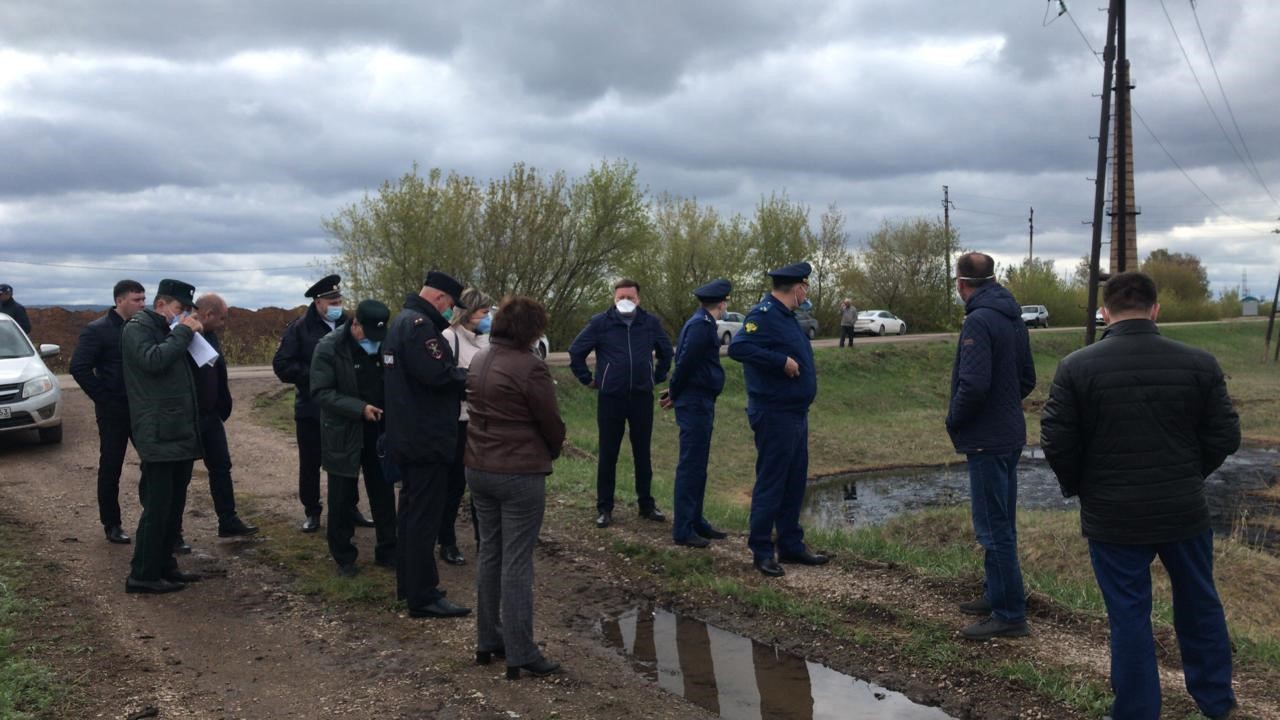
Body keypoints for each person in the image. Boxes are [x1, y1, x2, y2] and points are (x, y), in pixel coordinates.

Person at [1041, 272, 1240, 720]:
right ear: (1155, 309)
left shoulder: (1076, 366)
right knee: (1199, 603)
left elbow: (1056, 440)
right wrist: (1190, 473)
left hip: (1113, 516)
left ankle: (1135, 712)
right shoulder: (1200, 363)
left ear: (1105, 312)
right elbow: (1225, 435)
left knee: (1128, 615)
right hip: (1183, 509)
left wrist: (1083, 487)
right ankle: (1216, 701)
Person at [465, 295, 566, 679]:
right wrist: (553, 449)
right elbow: (550, 422)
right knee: (517, 560)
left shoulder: (479, 358)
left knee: (489, 552)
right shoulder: (530, 367)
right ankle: (521, 651)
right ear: (532, 330)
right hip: (519, 472)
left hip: (478, 466)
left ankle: (487, 640)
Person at [945, 252, 1036, 641]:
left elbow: (974, 384)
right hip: (1009, 434)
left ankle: (1009, 613)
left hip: (987, 439)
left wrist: (955, 419)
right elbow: (1027, 378)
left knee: (992, 528)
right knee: (1001, 522)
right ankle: (996, 593)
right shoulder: (1012, 317)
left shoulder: (978, 321)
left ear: (962, 285)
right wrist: (1004, 406)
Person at [728, 262, 828, 577]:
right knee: (772, 481)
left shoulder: (786, 317)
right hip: (774, 412)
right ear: (797, 287)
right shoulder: (764, 314)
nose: (806, 293)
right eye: (805, 287)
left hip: (795, 412)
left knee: (794, 480)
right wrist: (779, 361)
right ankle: (761, 550)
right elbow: (739, 347)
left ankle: (790, 544)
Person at [384, 270, 471, 618]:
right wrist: (475, 375)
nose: (452, 312)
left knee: (409, 513)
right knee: (423, 517)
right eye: (451, 305)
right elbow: (438, 376)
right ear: (440, 298)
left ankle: (410, 584)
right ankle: (423, 595)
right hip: (426, 437)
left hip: (408, 434)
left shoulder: (402, 321)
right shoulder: (421, 326)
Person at [568, 279, 674, 529]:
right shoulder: (600, 323)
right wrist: (587, 379)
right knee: (608, 453)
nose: (625, 301)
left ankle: (646, 505)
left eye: (630, 297)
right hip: (610, 398)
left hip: (640, 397)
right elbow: (576, 352)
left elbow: (666, 351)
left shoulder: (650, 323)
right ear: (614, 299)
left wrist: (656, 377)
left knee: (642, 453)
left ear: (638, 299)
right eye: (620, 297)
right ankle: (604, 507)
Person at [120, 279, 204, 594]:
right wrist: (183, 332)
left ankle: (165, 566)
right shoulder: (137, 328)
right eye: (180, 310)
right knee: (157, 506)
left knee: (173, 506)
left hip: (177, 431)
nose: (185, 316)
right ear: (161, 305)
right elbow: (153, 361)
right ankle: (142, 573)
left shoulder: (168, 329)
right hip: (157, 433)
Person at [272, 274, 371, 533]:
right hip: (312, 408)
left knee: (349, 460)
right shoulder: (299, 328)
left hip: (344, 409)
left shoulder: (350, 324)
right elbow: (282, 365)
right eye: (332, 301)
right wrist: (318, 376)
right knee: (311, 463)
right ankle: (312, 511)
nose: (337, 304)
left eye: (339, 300)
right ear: (318, 303)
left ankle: (351, 508)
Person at [310, 299, 398, 577]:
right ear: (356, 323)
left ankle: (388, 551)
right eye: (368, 335)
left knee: (383, 492)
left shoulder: (385, 343)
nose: (373, 342)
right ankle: (344, 558)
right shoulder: (329, 347)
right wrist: (359, 409)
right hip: (344, 432)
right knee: (341, 496)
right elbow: (321, 392)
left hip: (380, 432)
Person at [69, 280, 147, 545]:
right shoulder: (97, 330)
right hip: (113, 411)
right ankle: (111, 523)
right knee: (111, 466)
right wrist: (105, 400)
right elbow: (79, 368)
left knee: (154, 463)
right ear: (119, 301)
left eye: (143, 299)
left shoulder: (143, 328)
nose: (142, 304)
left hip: (141, 409)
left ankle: (156, 519)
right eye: (136, 300)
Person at [662, 279, 732, 549]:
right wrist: (675, 393)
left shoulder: (702, 323)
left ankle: (696, 520)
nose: (727, 306)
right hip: (695, 402)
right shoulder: (701, 326)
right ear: (721, 303)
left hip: (700, 401)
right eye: (726, 302)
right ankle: (683, 529)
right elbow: (684, 363)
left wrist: (675, 393)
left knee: (699, 465)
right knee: (691, 466)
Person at [184, 293, 257, 539]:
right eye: (222, 318)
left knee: (221, 467)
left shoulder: (211, 336)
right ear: (207, 315)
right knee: (180, 474)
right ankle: (172, 532)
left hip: (211, 415)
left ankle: (228, 520)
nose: (224, 324)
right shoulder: (182, 335)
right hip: (188, 417)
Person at [438, 287, 494, 566]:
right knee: (455, 485)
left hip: (485, 422)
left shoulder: (488, 341)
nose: (489, 317)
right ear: (470, 313)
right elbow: (444, 379)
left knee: (482, 488)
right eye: (485, 312)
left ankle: (484, 542)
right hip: (459, 422)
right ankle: (446, 540)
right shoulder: (449, 338)